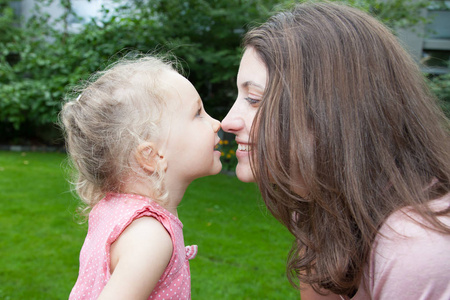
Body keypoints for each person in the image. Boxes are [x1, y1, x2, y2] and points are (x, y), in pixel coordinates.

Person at [221, 2, 450, 299]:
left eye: (254, 99)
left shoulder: (416, 248)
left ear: (331, 111)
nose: (227, 121)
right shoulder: (318, 204)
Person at [60, 54, 222, 299]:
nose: (216, 123)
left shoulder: (116, 209)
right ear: (151, 155)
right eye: (198, 113)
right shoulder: (150, 236)